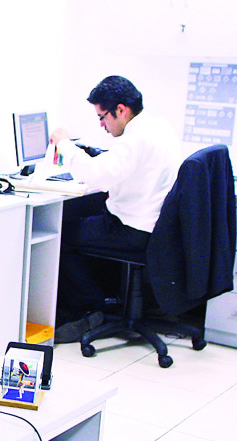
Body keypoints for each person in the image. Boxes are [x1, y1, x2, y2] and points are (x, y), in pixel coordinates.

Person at [49, 75, 181, 343]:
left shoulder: (134, 140)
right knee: (86, 222)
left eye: (102, 117)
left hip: (133, 231)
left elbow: (96, 176)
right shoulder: (159, 126)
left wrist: (64, 144)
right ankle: (99, 303)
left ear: (121, 110)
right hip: (156, 227)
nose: (102, 125)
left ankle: (88, 310)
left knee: (61, 237)